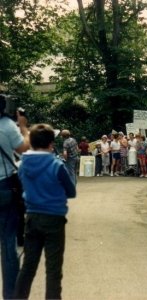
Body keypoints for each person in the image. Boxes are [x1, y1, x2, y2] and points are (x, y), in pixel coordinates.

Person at [14, 123, 76, 300]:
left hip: (32, 217)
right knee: (53, 270)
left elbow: (20, 185)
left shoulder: (22, 164)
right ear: (51, 145)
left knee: (28, 267)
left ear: (31, 143)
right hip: (54, 219)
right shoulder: (57, 165)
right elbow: (71, 191)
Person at [0, 95, 30, 299]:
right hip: (4, 187)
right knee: (8, 243)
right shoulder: (7, 126)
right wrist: (23, 127)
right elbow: (23, 148)